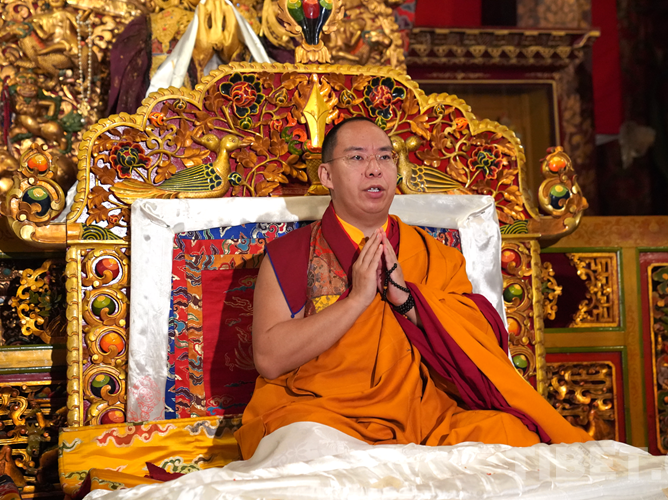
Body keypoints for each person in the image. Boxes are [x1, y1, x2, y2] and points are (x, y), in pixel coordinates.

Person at [234, 117, 592, 459]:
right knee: (306, 450)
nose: (374, 169)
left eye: (385, 157)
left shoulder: (436, 256)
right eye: (357, 158)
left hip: (428, 418)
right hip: (324, 415)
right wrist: (356, 300)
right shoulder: (292, 254)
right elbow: (269, 359)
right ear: (326, 175)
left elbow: (479, 346)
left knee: (510, 437)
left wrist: (409, 302)